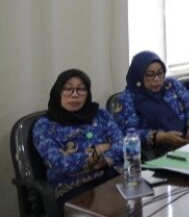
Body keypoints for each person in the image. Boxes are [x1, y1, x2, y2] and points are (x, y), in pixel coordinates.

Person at [33, 69, 123, 201]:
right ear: (58, 92)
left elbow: (122, 144)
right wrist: (99, 149)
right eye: (68, 89)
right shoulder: (45, 125)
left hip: (111, 175)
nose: (75, 95)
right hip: (72, 187)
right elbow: (60, 164)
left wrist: (98, 160)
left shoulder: (100, 115)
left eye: (81, 89)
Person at [113, 51, 189, 159]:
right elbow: (127, 134)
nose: (157, 79)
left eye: (160, 73)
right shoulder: (127, 99)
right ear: (138, 75)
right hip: (157, 153)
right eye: (150, 75)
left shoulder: (171, 84)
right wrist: (159, 137)